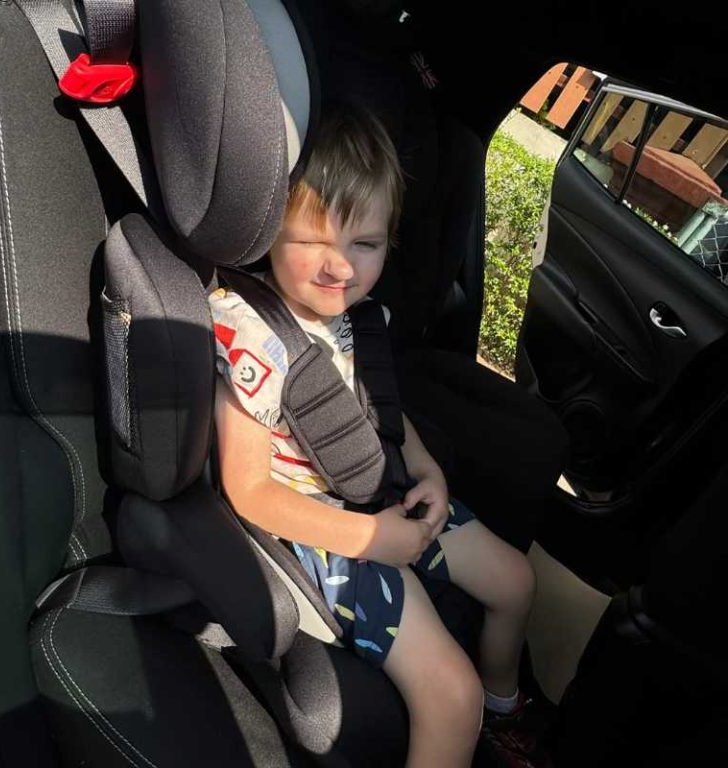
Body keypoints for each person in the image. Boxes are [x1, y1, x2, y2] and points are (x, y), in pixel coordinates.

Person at [211, 105, 549, 767]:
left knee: (516, 582)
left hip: (386, 488)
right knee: (451, 697)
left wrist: (427, 471)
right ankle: (474, 715)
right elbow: (248, 491)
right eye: (314, 240)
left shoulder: (358, 318)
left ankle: (505, 711)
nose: (339, 266)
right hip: (324, 529)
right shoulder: (254, 335)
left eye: (364, 245)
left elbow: (384, 413)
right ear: (269, 225)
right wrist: (371, 539)